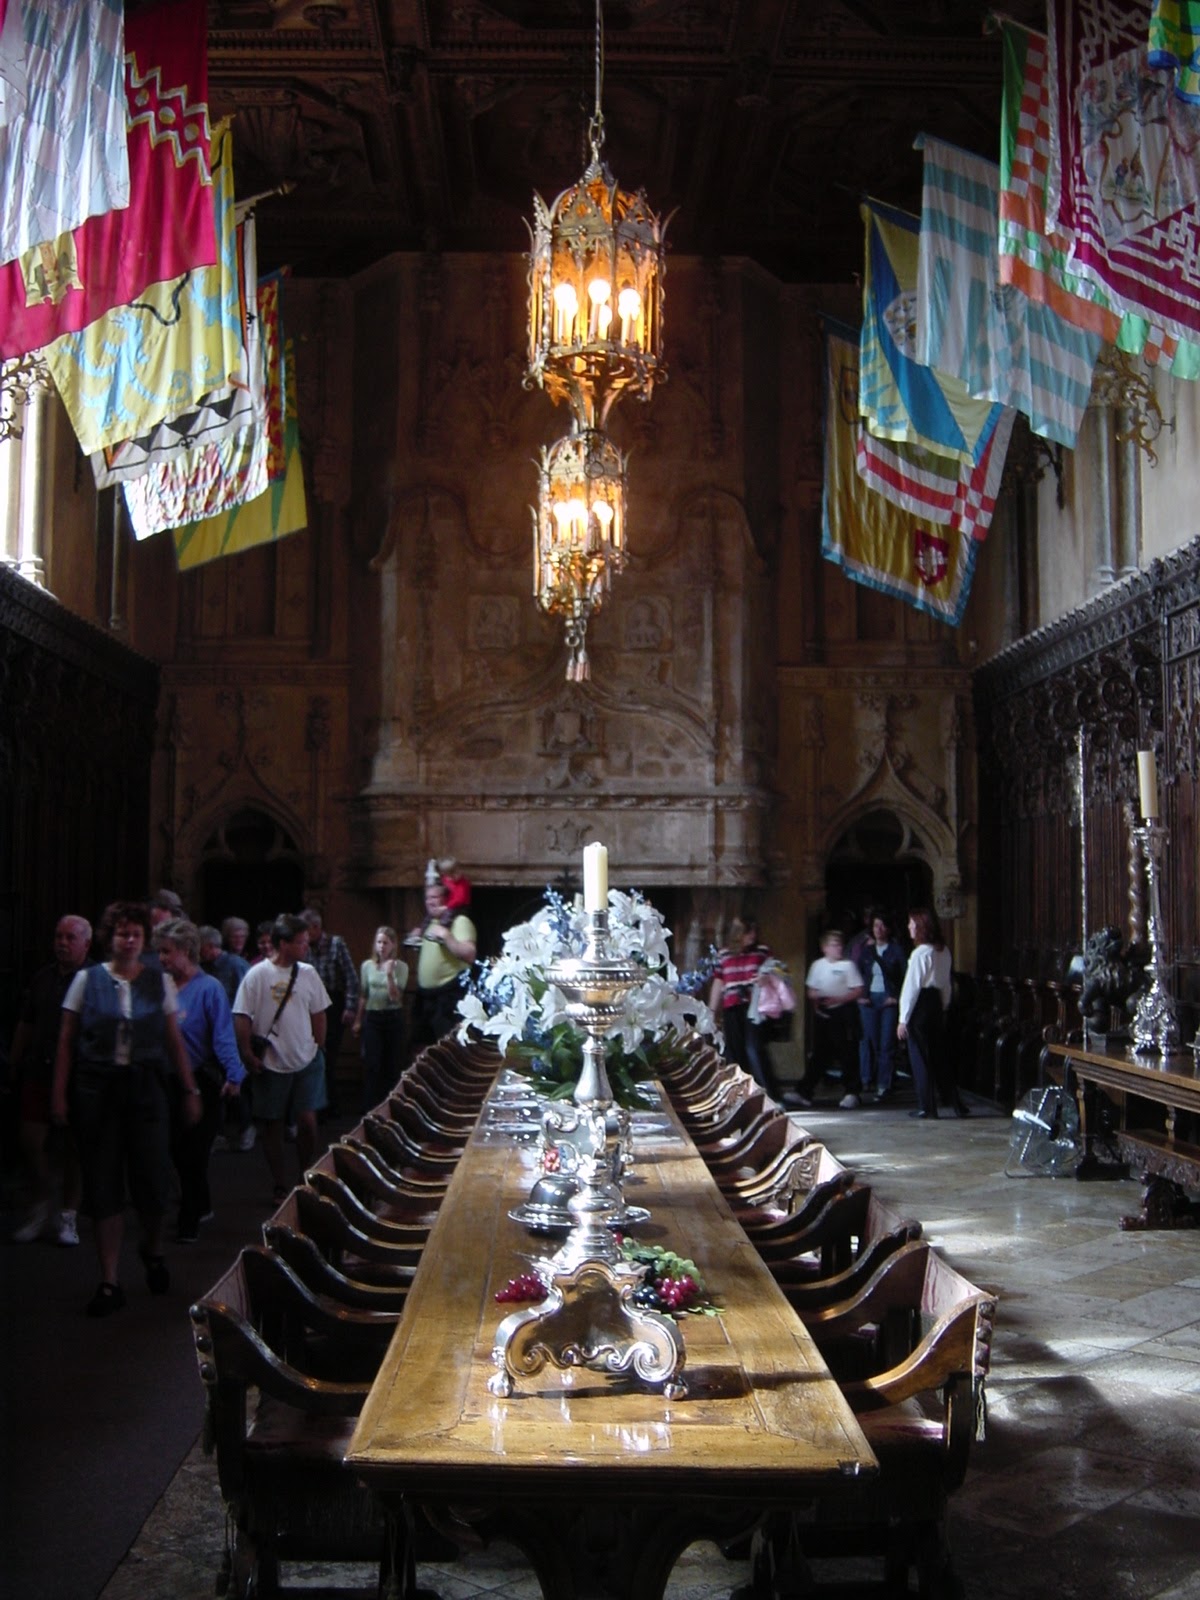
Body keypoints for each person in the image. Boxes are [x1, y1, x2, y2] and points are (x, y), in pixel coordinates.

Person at [51, 900, 202, 1317]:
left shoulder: (159, 982)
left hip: (147, 1088)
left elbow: (174, 1040)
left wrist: (190, 1089)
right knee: (102, 1182)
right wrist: (59, 1093)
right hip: (97, 1089)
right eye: (122, 933)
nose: (129, 940)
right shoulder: (87, 980)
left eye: (136, 934)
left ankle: (152, 1249)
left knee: (152, 1181)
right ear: (110, 938)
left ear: (144, 940)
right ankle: (109, 1279)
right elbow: (66, 1039)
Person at [154, 919, 246, 1241]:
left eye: (167, 952)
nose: (162, 958)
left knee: (193, 1154)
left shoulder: (209, 989)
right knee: (176, 1152)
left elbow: (223, 1035)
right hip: (165, 1080)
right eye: (160, 952)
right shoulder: (159, 986)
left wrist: (234, 1074)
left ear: (186, 951)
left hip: (202, 1082)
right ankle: (200, 1204)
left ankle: (188, 1221)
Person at [8, 915, 93, 1246]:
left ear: (86, 943)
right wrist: (15, 1059)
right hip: (40, 1069)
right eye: (58, 936)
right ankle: (43, 1199)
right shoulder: (43, 978)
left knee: (75, 1148)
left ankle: (68, 1215)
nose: (62, 942)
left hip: (79, 1074)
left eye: (70, 937)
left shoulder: (94, 979)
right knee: (30, 1141)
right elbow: (26, 1022)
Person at [232, 913, 330, 1198]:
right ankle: (278, 1180)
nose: (305, 947)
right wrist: (246, 1053)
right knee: (272, 1123)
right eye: (300, 942)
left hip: (305, 1058)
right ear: (283, 944)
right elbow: (241, 1015)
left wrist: (318, 1047)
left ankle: (305, 1172)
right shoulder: (257, 975)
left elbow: (319, 1012)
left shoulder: (308, 974)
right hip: (271, 1061)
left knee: (308, 1121)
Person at [897, 907, 965, 1120]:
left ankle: (927, 1106)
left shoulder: (920, 953)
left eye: (912, 924)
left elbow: (912, 987)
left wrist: (903, 1018)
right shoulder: (943, 950)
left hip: (921, 1005)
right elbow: (946, 984)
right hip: (935, 1003)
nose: (909, 927)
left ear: (920, 927)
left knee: (920, 1057)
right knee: (939, 1055)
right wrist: (943, 1006)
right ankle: (955, 1102)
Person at [709, 914, 779, 1098]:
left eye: (755, 931)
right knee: (735, 1051)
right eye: (749, 932)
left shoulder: (762, 952)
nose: (753, 935)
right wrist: (711, 1011)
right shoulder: (723, 954)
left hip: (754, 1006)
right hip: (732, 1006)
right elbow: (719, 981)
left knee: (754, 1048)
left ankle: (770, 1094)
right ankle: (742, 1094)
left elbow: (777, 972)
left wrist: (766, 978)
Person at [409, 868, 477, 1048]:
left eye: (435, 897)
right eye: (427, 898)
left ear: (446, 898)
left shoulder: (459, 921)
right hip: (426, 999)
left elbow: (469, 954)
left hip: (447, 999)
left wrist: (447, 936)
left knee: (447, 1049)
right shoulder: (430, 923)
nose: (430, 902)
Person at [300, 908, 358, 1115]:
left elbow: (351, 977)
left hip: (334, 1002)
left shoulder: (336, 944)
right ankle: (318, 1103)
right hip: (310, 1003)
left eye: (307, 931)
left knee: (329, 1054)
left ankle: (329, 1104)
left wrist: (350, 1007)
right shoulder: (304, 948)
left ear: (316, 927)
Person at [802, 928, 864, 1107]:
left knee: (847, 1053)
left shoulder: (848, 966)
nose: (838, 948)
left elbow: (858, 989)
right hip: (824, 1014)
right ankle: (805, 1091)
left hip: (843, 1013)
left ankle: (852, 1091)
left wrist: (839, 999)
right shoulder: (818, 965)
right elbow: (811, 989)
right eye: (834, 945)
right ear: (825, 947)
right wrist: (817, 1000)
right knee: (820, 1054)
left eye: (840, 945)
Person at [352, 926, 408, 1110]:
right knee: (372, 1064)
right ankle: (371, 1107)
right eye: (379, 942)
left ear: (393, 945)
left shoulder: (401, 967)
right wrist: (358, 1020)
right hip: (373, 1018)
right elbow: (363, 994)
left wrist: (390, 974)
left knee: (392, 1065)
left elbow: (396, 997)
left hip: (392, 1017)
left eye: (385, 942)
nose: (382, 946)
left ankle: (392, 1106)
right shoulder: (367, 966)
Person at [855, 910, 906, 1103]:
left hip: (888, 1000)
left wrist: (896, 998)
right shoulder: (867, 952)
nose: (879, 929)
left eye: (883, 925)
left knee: (886, 1043)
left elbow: (905, 975)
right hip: (869, 999)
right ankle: (867, 1079)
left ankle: (884, 1085)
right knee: (870, 1041)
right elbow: (858, 973)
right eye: (876, 925)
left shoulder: (896, 950)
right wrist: (860, 995)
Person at [198, 924, 249, 1006]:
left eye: (200, 947)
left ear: (210, 946)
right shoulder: (203, 967)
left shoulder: (237, 965)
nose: (198, 951)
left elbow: (246, 997)